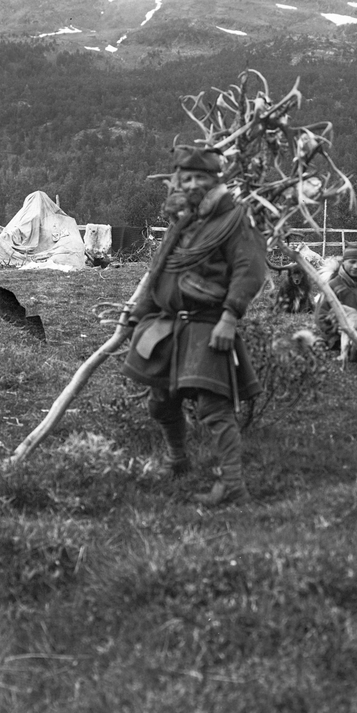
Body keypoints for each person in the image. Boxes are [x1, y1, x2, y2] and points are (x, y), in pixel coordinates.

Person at [121, 147, 266, 507]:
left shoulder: (235, 221)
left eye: (200, 177)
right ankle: (177, 459)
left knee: (214, 409)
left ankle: (233, 484)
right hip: (167, 326)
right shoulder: (184, 223)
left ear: (216, 180)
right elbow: (160, 273)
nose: (192, 183)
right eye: (185, 178)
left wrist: (230, 318)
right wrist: (139, 314)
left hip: (208, 325)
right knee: (160, 401)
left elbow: (250, 270)